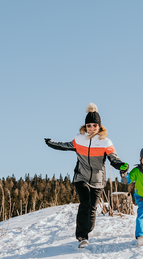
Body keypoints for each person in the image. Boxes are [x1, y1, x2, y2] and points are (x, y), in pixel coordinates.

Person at [45, 103, 128, 248]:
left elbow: (113, 158)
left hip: (97, 180)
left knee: (92, 208)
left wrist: (121, 165)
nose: (91, 128)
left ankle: (88, 229)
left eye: (94, 125)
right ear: (85, 126)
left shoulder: (105, 142)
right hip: (81, 177)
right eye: (89, 125)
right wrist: (52, 143)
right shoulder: (79, 139)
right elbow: (64, 145)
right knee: (85, 202)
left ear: (99, 126)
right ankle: (82, 236)